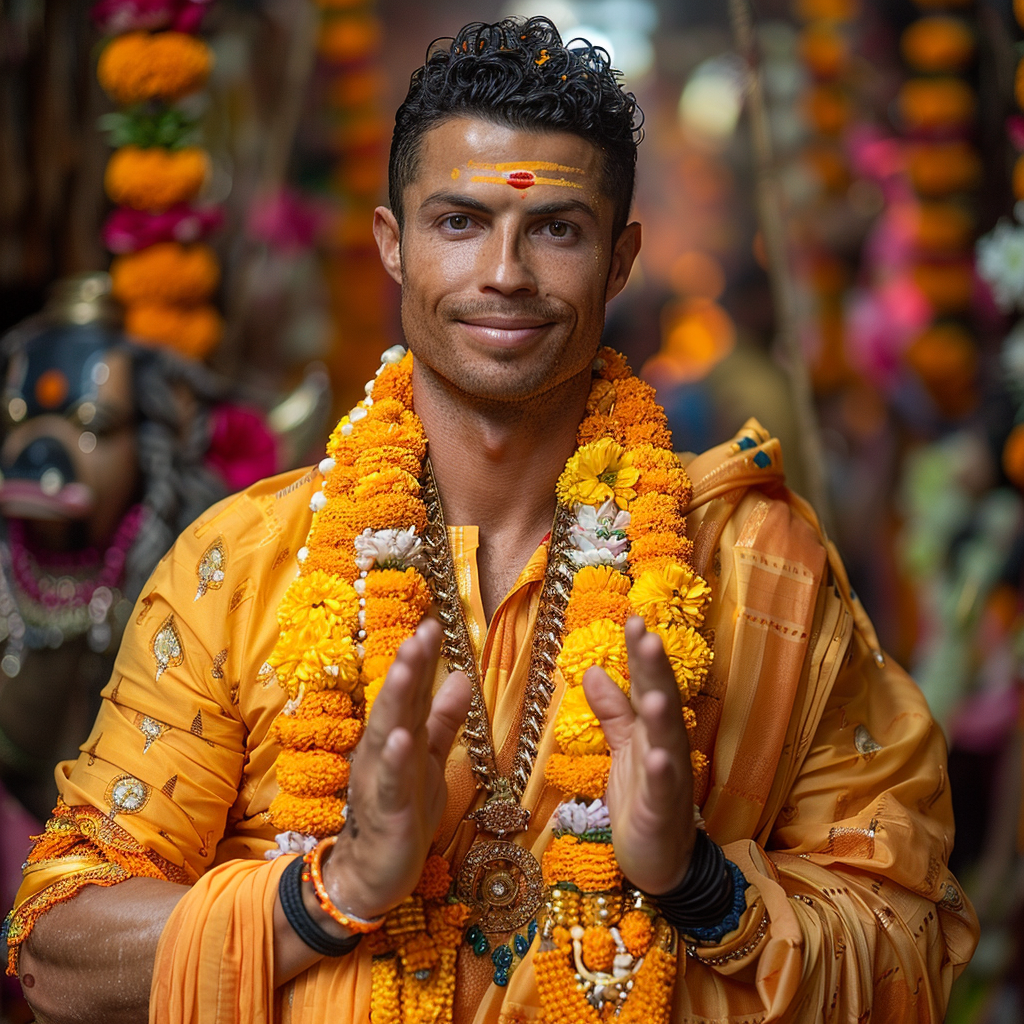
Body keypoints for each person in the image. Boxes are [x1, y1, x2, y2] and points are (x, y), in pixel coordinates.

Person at [5, 17, 977, 1024]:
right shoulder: (245, 564)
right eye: (459, 222)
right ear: (393, 243)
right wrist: (331, 892)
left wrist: (696, 882)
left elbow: (913, 938)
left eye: (554, 227)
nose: (505, 271)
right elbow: (59, 949)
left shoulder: (755, 568)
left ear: (620, 257)